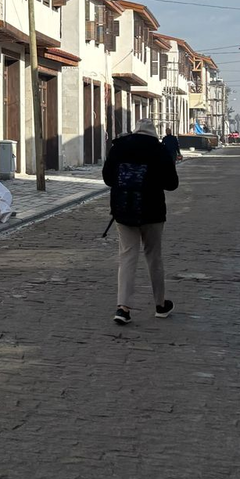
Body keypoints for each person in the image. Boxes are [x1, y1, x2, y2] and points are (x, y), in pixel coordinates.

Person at [102, 118, 179, 325]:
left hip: (124, 211)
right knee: (154, 257)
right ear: (154, 133)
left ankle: (123, 308)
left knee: (127, 256)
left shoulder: (119, 147)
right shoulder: (159, 150)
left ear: (135, 130)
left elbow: (108, 178)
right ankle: (160, 305)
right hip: (152, 212)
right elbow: (172, 184)